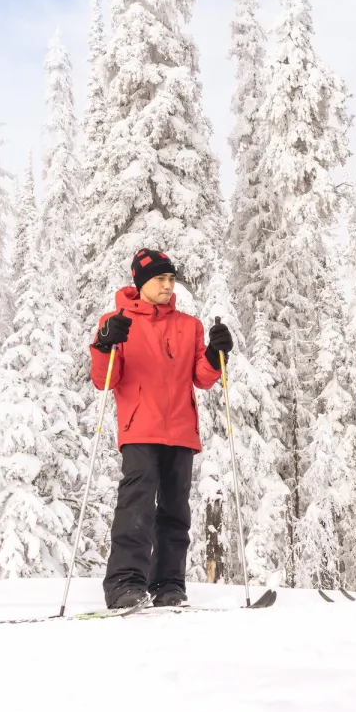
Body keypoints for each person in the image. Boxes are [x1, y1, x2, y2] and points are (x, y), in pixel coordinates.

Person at [90, 249, 233, 609]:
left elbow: (202, 377)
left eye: (172, 279)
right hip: (140, 428)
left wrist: (217, 354)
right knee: (136, 505)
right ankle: (125, 583)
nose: (169, 286)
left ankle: (169, 584)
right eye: (160, 279)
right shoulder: (118, 321)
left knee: (175, 510)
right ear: (141, 283)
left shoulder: (189, 326)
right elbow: (104, 380)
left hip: (181, 430)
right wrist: (105, 343)